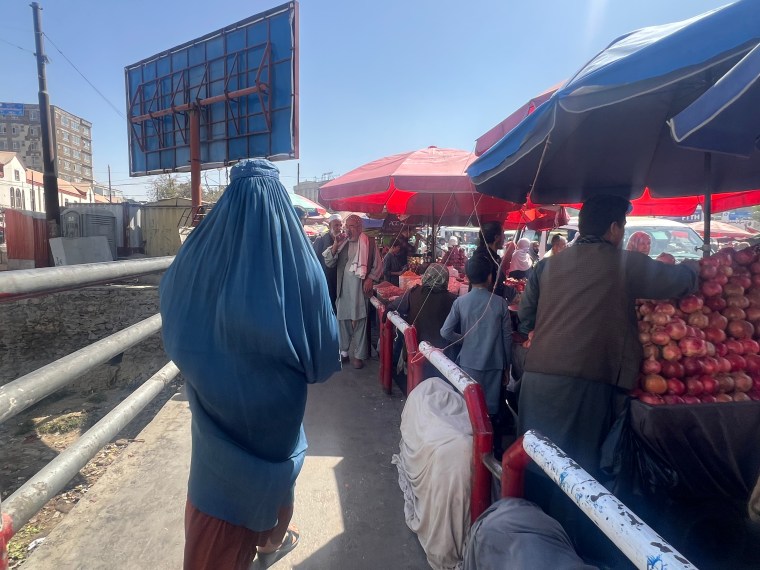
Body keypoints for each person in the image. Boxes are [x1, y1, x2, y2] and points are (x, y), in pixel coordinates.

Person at [159, 159, 340, 570]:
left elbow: (173, 322)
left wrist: (211, 363)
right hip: (278, 420)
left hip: (215, 428)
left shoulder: (197, 254)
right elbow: (324, 358)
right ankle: (270, 539)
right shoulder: (299, 262)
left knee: (215, 504)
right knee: (279, 477)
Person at [516, 194, 698, 554]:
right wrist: (699, 266)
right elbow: (678, 281)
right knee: (575, 473)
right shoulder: (623, 263)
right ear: (614, 229)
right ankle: (565, 553)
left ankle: (526, 540)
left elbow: (525, 318)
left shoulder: (547, 266)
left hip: (536, 377)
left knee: (534, 463)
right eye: (623, 228)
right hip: (583, 382)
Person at [441, 254, 512, 454]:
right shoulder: (500, 303)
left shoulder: (460, 302)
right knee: (490, 413)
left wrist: (464, 338)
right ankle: (491, 453)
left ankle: (467, 452)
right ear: (490, 277)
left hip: (468, 364)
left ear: (468, 277)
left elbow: (445, 332)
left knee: (469, 410)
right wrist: (507, 367)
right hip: (494, 365)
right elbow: (507, 338)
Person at [324, 214, 382, 369]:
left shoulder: (369, 242)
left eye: (352, 226)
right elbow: (329, 262)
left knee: (361, 320)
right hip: (344, 287)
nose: (349, 230)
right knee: (343, 318)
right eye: (347, 226)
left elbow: (378, 265)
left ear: (360, 227)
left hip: (361, 288)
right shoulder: (342, 241)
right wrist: (335, 245)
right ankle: (344, 351)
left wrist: (370, 278)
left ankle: (359, 355)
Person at [389, 263, 458, 380]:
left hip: (414, 353)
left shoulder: (413, 292)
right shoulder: (453, 300)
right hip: (443, 360)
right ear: (445, 280)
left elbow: (393, 306)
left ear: (426, 276)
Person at [312, 214, 343, 312]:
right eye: (336, 225)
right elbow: (314, 260)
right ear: (330, 226)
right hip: (325, 278)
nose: (339, 228)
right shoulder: (321, 239)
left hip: (339, 279)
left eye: (340, 225)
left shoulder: (344, 240)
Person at [469, 221, 505, 297]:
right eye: (503, 233)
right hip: (486, 303)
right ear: (496, 237)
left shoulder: (491, 256)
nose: (504, 237)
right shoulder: (482, 260)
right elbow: (482, 290)